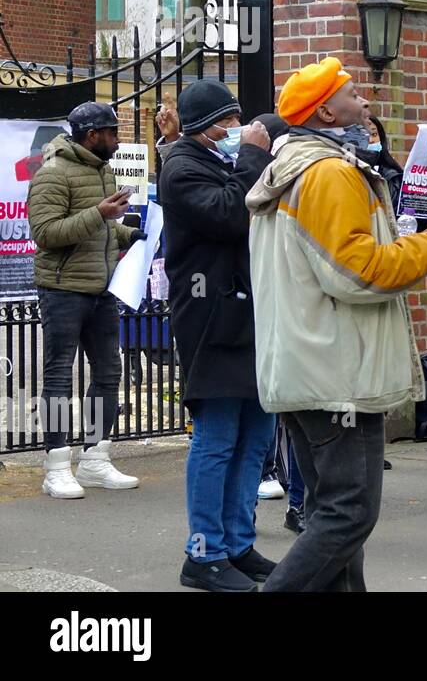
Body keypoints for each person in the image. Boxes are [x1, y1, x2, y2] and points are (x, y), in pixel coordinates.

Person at [246, 57, 427, 591]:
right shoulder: (328, 173)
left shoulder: (297, 167)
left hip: (311, 370)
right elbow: (359, 273)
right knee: (349, 514)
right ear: (326, 110)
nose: (365, 100)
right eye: (353, 94)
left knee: (334, 514)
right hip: (335, 376)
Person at [159, 81, 278, 592]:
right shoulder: (182, 167)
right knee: (218, 436)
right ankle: (202, 553)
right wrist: (252, 155)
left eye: (238, 121)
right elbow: (233, 213)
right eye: (227, 122)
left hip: (250, 316)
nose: (235, 130)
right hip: (210, 318)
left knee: (256, 437)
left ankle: (237, 543)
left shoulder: (222, 160)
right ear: (203, 127)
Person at [27, 102, 143, 499]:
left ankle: (95, 458)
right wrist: (98, 213)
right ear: (92, 135)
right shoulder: (53, 173)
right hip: (62, 289)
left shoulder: (102, 168)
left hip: (102, 288)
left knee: (109, 373)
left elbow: (105, 230)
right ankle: (56, 464)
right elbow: (45, 233)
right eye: (112, 132)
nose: (117, 138)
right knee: (59, 376)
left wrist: (132, 235)